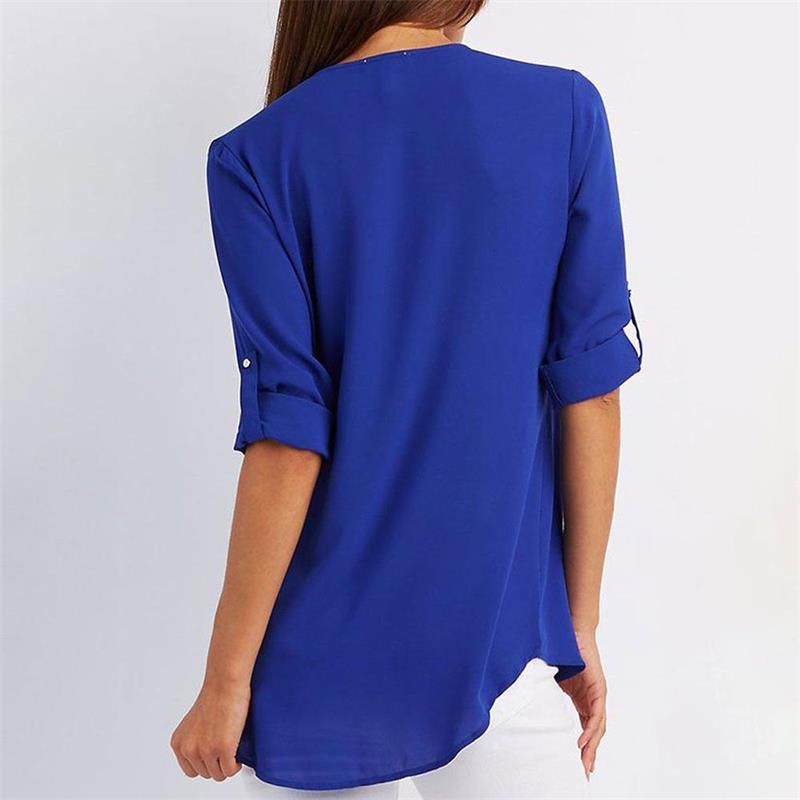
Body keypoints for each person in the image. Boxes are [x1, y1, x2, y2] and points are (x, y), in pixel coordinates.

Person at [170, 1, 643, 797]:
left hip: (318, 684)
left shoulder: (257, 155)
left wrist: (225, 682)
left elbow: (290, 434)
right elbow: (590, 390)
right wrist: (580, 625)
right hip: (503, 652)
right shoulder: (563, 112)